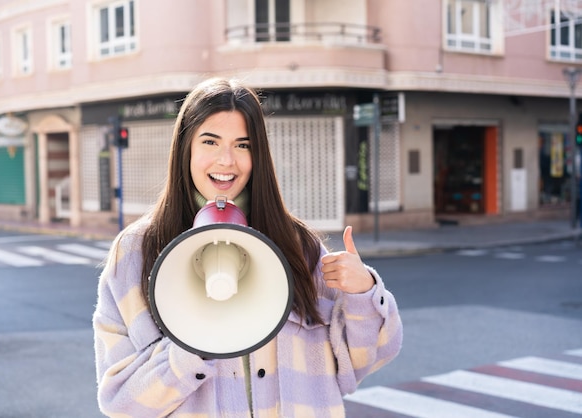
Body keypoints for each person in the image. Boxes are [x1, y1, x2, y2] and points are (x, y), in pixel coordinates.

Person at [93, 77, 403, 417]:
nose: (227, 160)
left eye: (243, 145)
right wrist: (191, 349)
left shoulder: (299, 246)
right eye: (210, 142)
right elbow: (120, 402)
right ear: (186, 147)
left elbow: (359, 364)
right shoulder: (136, 253)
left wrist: (363, 295)